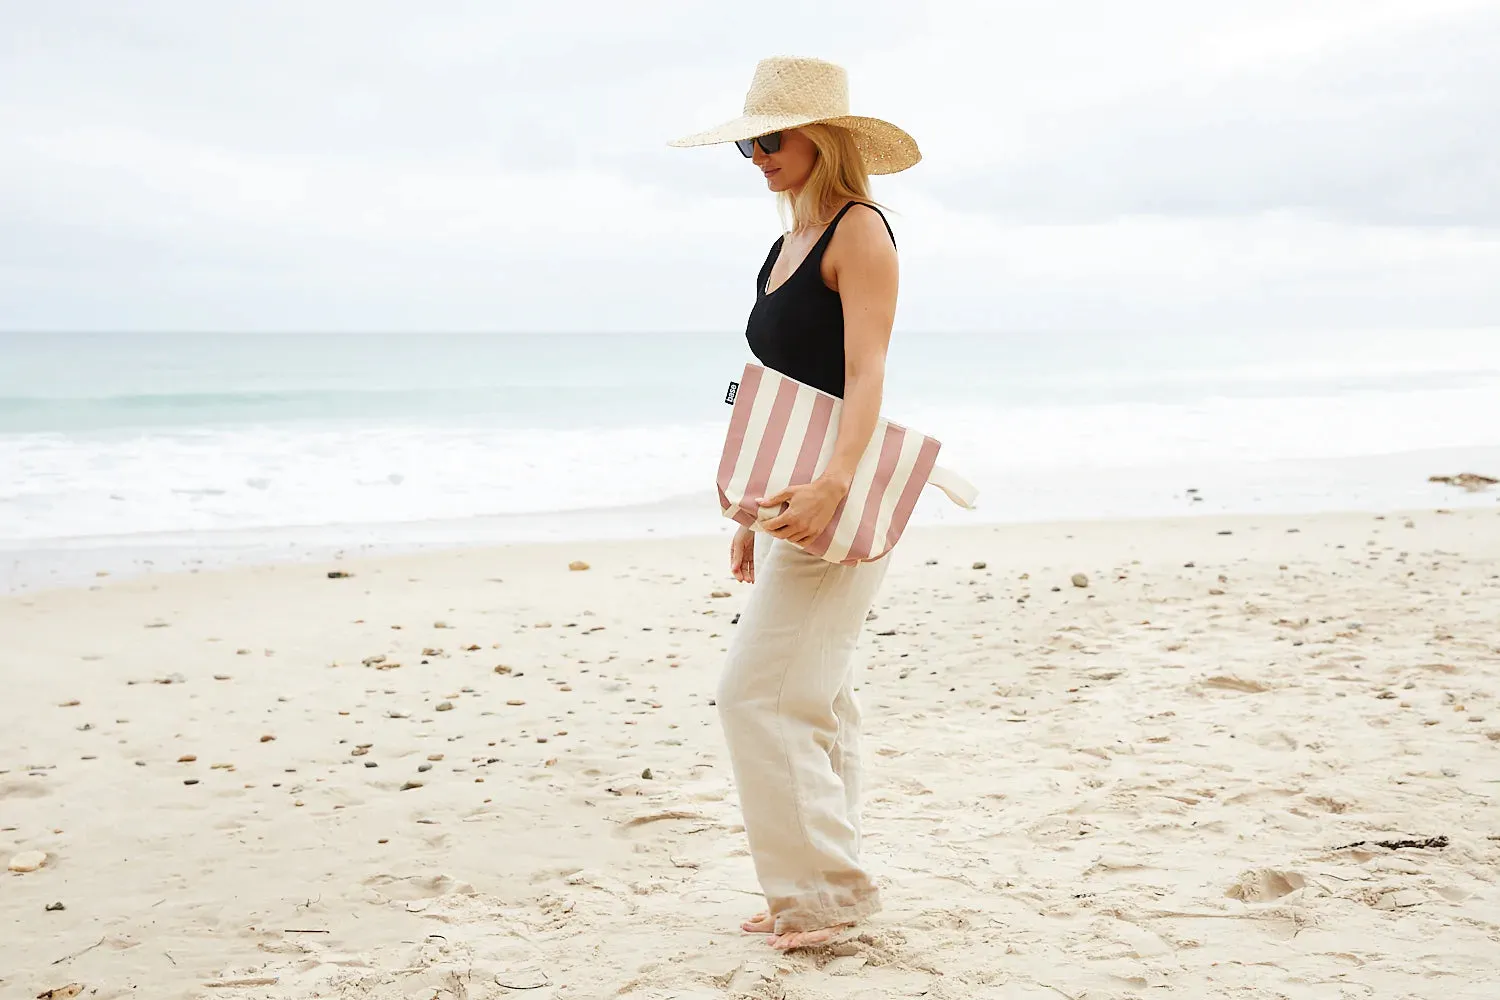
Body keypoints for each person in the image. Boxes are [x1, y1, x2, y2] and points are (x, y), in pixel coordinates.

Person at [669, 56, 922, 951]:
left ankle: (825, 897)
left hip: (833, 499)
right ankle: (813, 890)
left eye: (770, 139)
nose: (756, 156)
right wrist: (746, 514)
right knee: (819, 699)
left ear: (824, 138)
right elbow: (778, 392)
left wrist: (834, 485)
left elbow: (865, 376)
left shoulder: (860, 233)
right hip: (785, 501)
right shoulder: (783, 248)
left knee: (756, 698)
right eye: (746, 143)